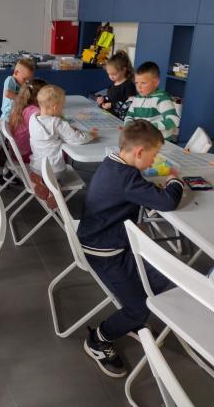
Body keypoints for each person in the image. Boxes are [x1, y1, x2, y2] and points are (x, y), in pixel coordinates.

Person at [78, 120, 184, 378]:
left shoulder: (114, 164)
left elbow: (137, 191)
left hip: (111, 243)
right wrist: (175, 180)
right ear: (139, 152)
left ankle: (131, 321)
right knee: (140, 308)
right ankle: (98, 339)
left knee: (163, 283)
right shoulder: (126, 178)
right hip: (106, 253)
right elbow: (168, 202)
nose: (154, 160)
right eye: (154, 155)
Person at [29, 85, 97, 207]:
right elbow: (76, 139)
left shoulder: (33, 119)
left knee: (45, 170)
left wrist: (68, 129)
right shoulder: (57, 123)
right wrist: (91, 135)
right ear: (55, 107)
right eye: (62, 107)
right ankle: (55, 189)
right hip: (54, 169)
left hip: (36, 166)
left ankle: (43, 182)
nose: (63, 109)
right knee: (61, 174)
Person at [124, 61, 179, 141]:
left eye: (143, 83)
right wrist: (128, 126)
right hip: (143, 139)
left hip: (160, 141)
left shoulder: (161, 99)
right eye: (136, 83)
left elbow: (174, 120)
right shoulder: (137, 99)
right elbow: (130, 115)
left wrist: (149, 127)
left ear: (155, 82)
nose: (139, 87)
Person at [8, 78, 47, 163]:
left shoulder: (22, 106)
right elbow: (48, 129)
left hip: (17, 152)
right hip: (26, 155)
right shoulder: (35, 112)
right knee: (61, 150)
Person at [96, 50, 136, 120]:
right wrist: (103, 99)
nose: (111, 77)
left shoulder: (128, 85)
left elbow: (131, 105)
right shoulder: (113, 85)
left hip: (121, 120)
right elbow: (111, 98)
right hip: (110, 117)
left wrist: (112, 105)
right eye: (109, 74)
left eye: (114, 74)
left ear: (124, 70)